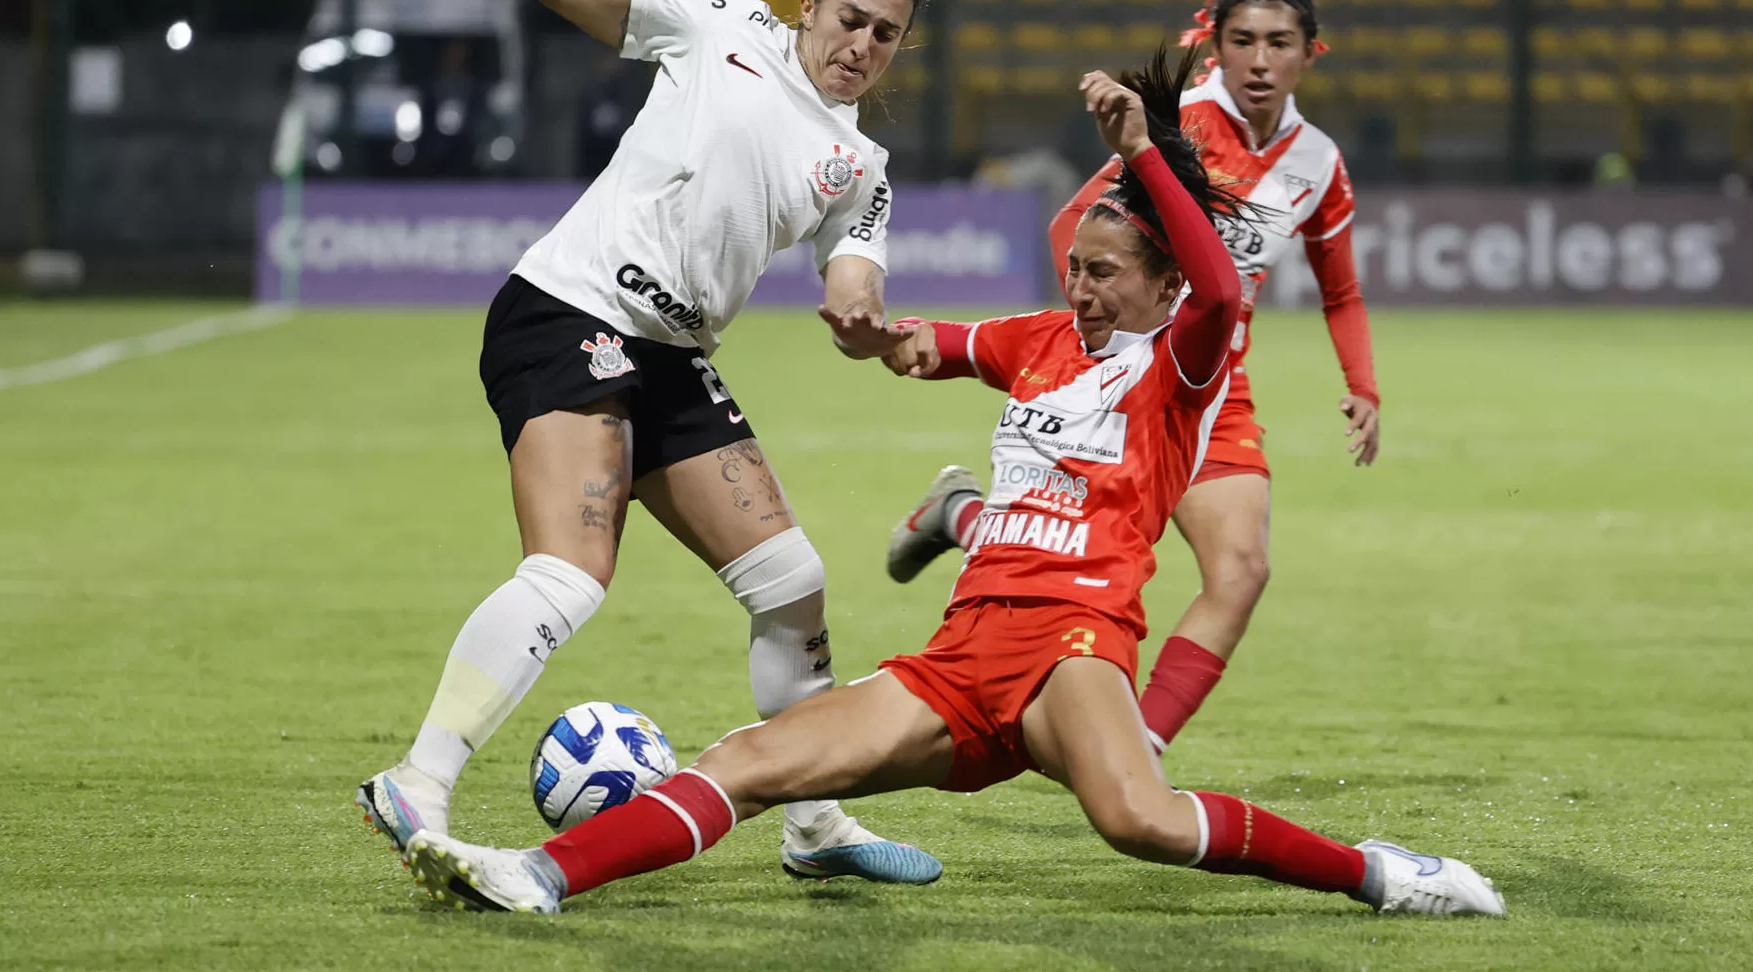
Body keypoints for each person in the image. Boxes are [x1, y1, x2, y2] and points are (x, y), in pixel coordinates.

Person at [396, 50, 1504, 920]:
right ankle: (532, 872)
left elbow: (1222, 289)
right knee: (750, 759)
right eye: (1076, 265)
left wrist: (1143, 154)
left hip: (1073, 641)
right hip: (959, 655)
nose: (1081, 288)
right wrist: (880, 333)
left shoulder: (1183, 364)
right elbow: (932, 344)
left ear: (1161, 279)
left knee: (1138, 817)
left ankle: (1381, 873)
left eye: (1106, 272)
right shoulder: (1042, 337)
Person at [353, 0, 939, 886]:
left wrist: (865, 324)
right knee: (571, 574)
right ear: (809, 1)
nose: (861, 45)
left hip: (669, 354)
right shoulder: (720, 25)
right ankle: (417, 778)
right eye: (850, 16)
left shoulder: (861, 165)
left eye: (887, 35)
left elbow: (855, 285)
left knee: (792, 582)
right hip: (565, 309)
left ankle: (814, 828)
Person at [891, 0, 1378, 759]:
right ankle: (970, 526)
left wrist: (1363, 387)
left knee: (1240, 572)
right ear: (1214, 48)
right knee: (1087, 544)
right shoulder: (1173, 121)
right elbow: (1071, 232)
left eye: (1279, 43)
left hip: (1216, 383)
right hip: (1132, 380)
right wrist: (1102, 341)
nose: (1260, 60)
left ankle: (1140, 747)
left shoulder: (1317, 162)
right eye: (1243, 41)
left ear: (1310, 53)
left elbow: (1341, 291)